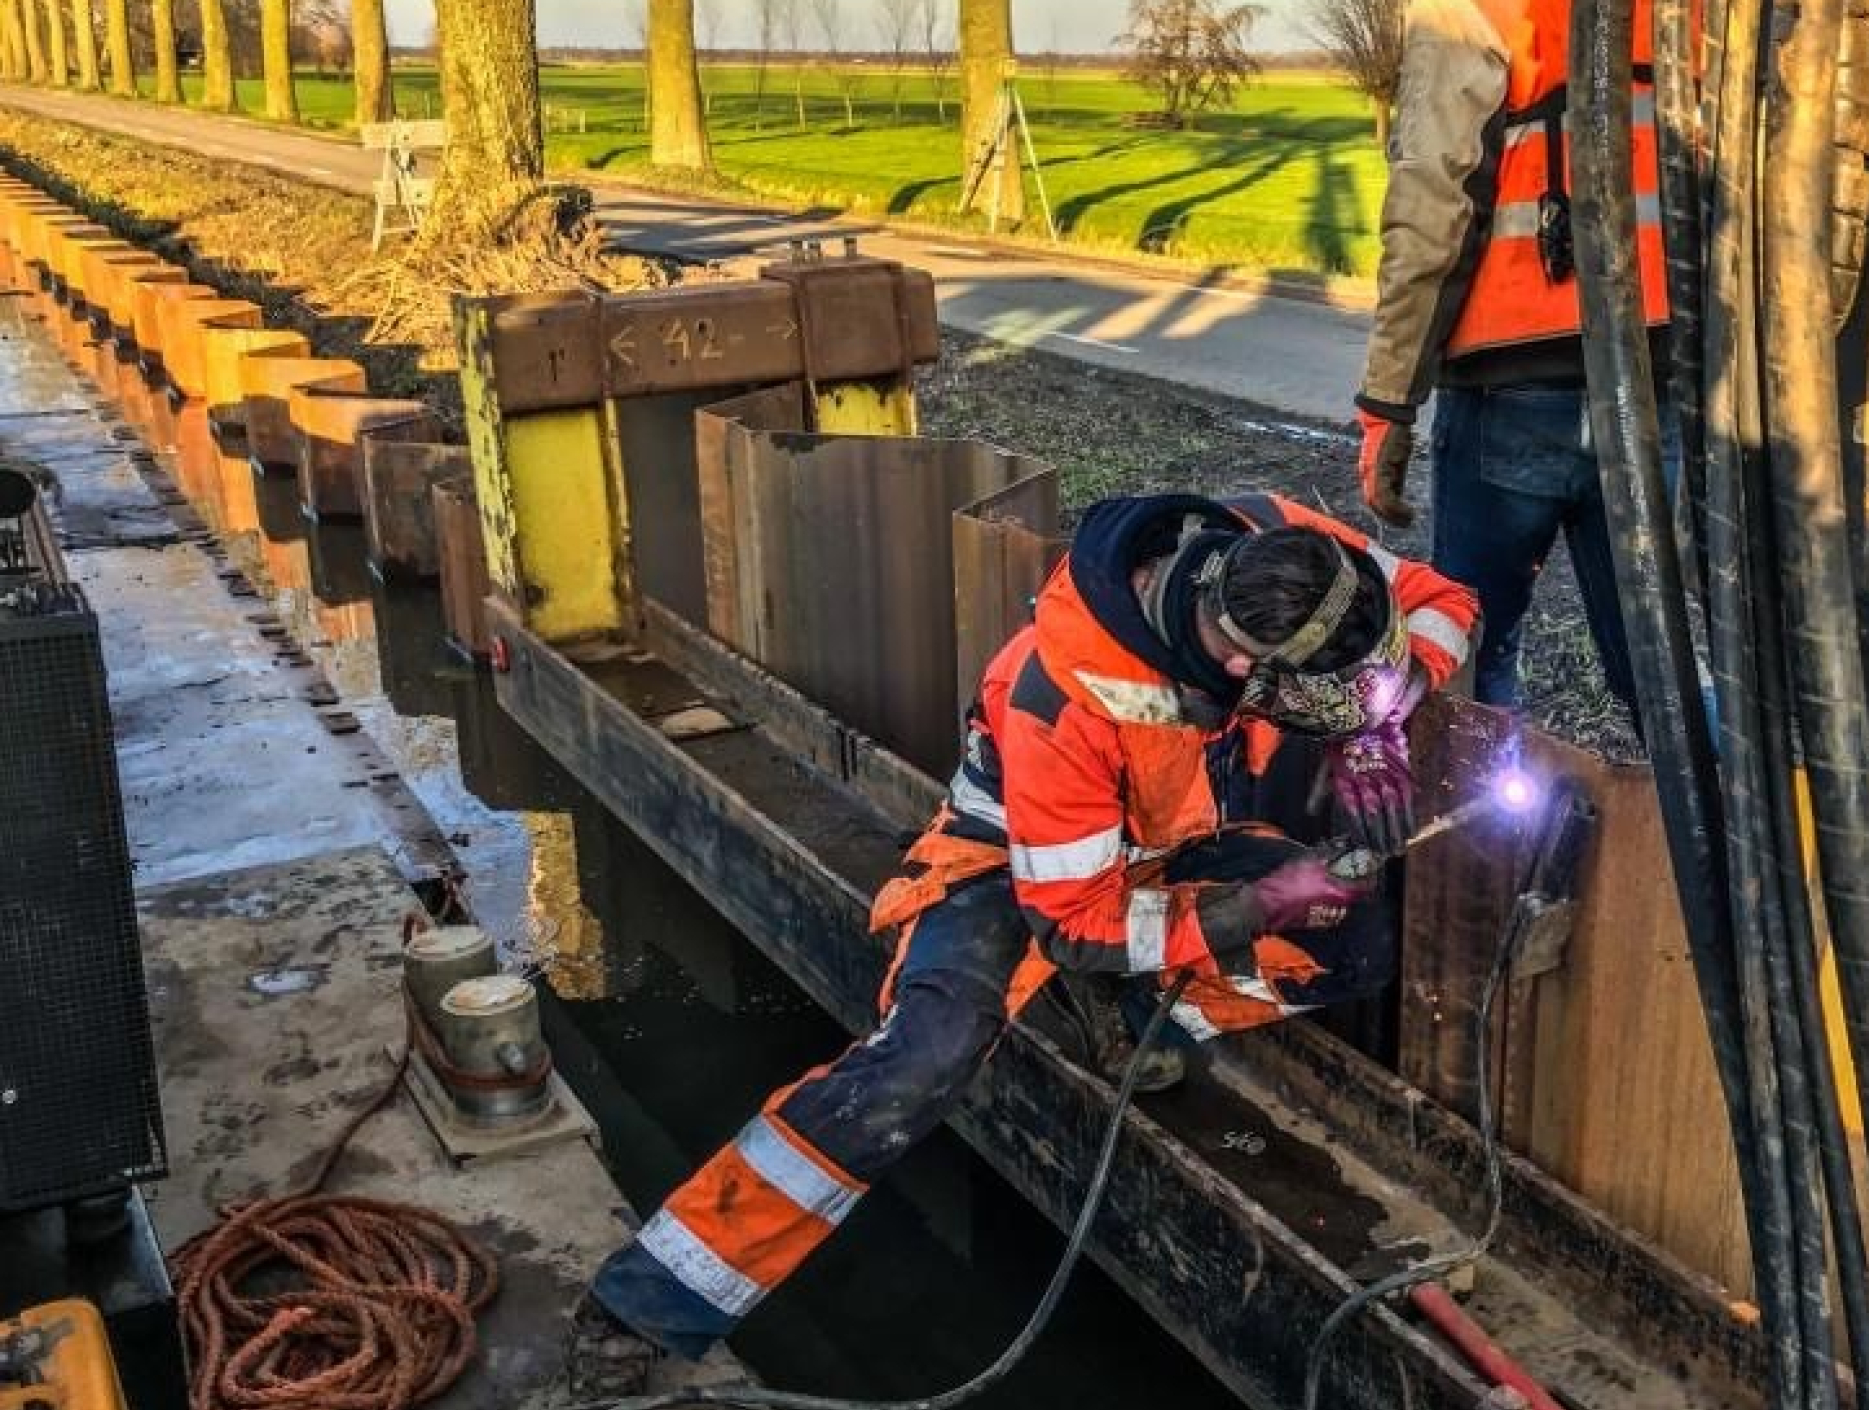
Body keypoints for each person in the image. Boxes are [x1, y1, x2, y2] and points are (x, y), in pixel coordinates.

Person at [578, 491, 1480, 1362]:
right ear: (1249, 670)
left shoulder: (1273, 541)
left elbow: (1447, 603)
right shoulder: (1065, 698)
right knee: (923, 1059)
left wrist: (1377, 724)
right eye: (1328, 695)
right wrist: (1257, 904)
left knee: (1352, 945)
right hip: (1015, 868)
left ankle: (1131, 1019)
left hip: (1161, 847)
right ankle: (655, 1301)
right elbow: (1078, 924)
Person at [1353, 0, 1669, 718]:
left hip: (1510, 380)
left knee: (1470, 651)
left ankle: (1480, 823)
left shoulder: (1472, 9)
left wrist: (1387, 404)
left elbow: (1437, 199)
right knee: (1663, 673)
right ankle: (1714, 826)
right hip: (1653, 378)